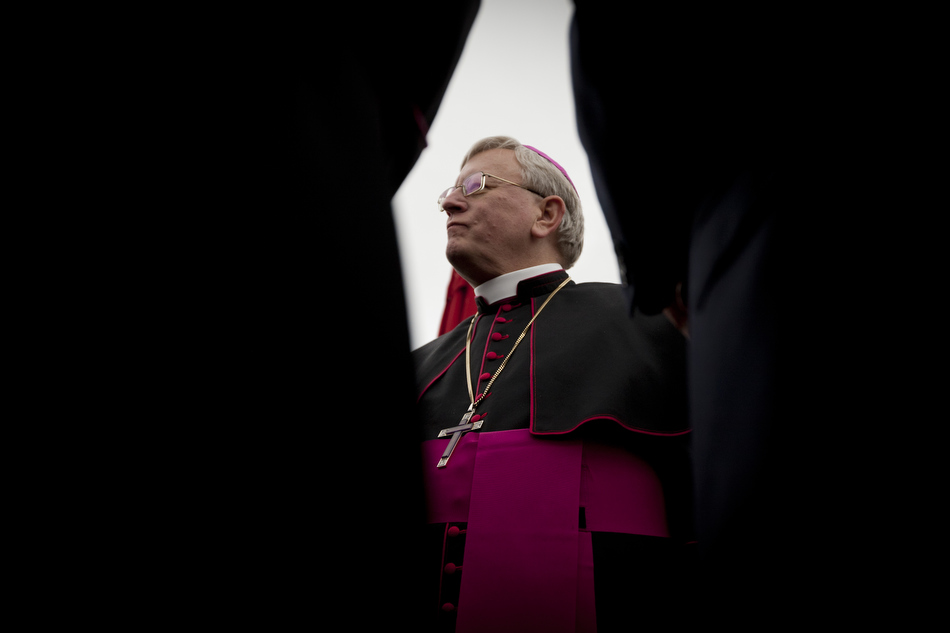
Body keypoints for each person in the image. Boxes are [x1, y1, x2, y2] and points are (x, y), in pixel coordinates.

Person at [412, 136, 693, 632]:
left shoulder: (649, 324)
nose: (451, 203)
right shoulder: (421, 364)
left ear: (546, 214)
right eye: (448, 193)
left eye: (475, 186)